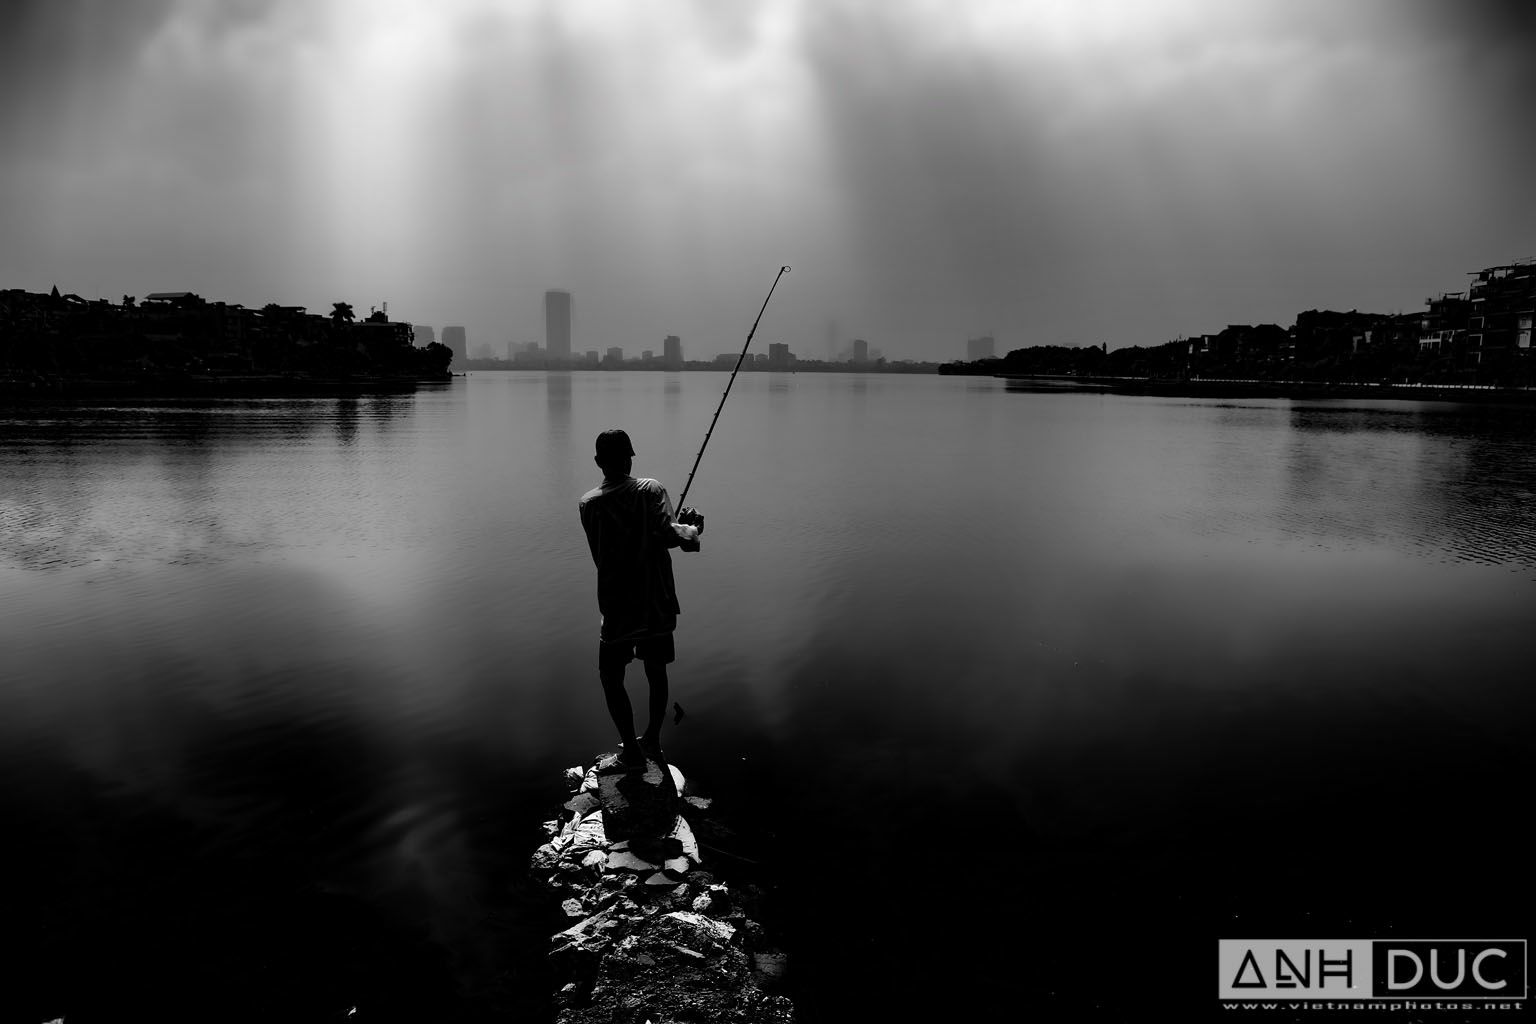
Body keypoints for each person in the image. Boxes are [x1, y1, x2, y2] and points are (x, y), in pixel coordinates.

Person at [578, 429, 704, 768]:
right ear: (630, 457)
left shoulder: (588, 504)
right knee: (656, 669)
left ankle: (631, 752)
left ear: (598, 462)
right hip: (655, 601)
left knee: (610, 675)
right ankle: (651, 738)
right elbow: (670, 536)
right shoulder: (651, 488)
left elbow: (609, 548)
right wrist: (690, 528)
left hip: (617, 605)